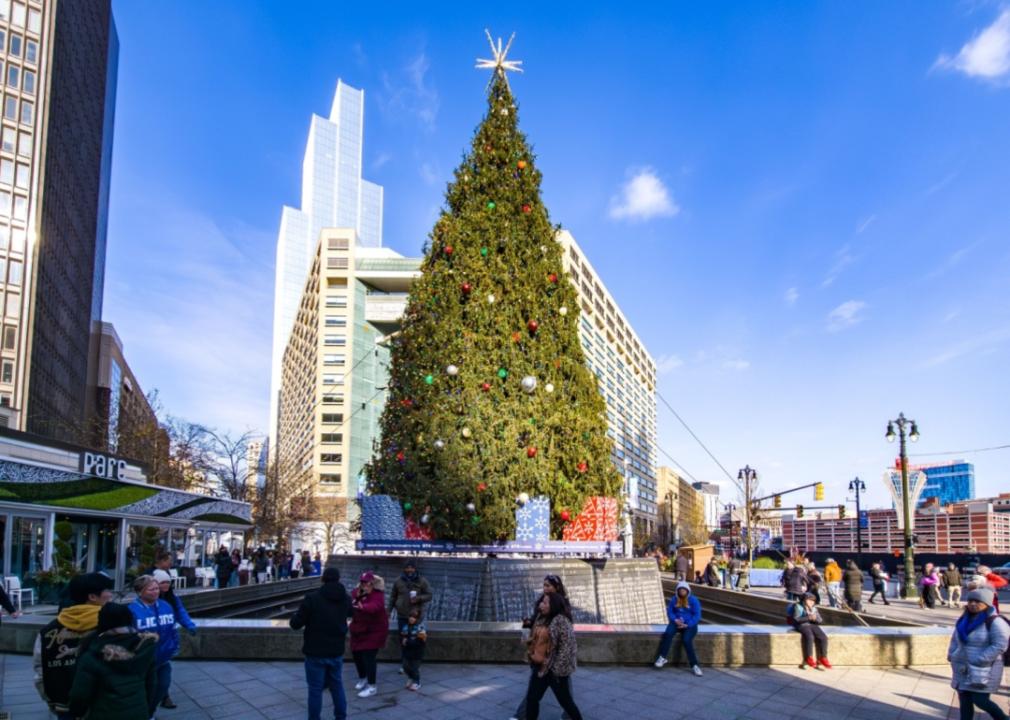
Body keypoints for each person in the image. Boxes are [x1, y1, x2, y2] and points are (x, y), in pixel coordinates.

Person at [34, 572, 114, 719]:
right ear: (92, 597)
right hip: (104, 703)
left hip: (64, 703)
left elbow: (41, 671)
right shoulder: (112, 626)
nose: (111, 595)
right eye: (108, 591)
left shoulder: (48, 631)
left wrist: (51, 700)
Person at [67, 602, 158, 720]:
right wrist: (146, 709)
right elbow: (152, 685)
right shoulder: (143, 648)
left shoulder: (93, 653)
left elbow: (80, 694)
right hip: (138, 712)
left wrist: (77, 713)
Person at [289, 566, 350, 720]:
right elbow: (352, 613)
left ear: (323, 579)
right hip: (336, 650)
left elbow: (296, 624)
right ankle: (341, 717)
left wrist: (295, 615)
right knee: (337, 686)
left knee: (315, 690)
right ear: (338, 579)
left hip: (315, 651)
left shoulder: (312, 598)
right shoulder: (345, 598)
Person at [512, 575, 573, 720]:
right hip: (540, 655)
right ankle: (521, 715)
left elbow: (566, 633)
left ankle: (570, 717)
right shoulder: (541, 601)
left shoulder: (563, 605)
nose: (545, 588)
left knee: (565, 694)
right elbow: (536, 620)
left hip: (556, 658)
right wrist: (528, 625)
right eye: (544, 585)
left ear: (557, 587)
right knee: (533, 693)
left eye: (548, 585)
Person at [948, 587, 1009, 720]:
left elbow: (1000, 645)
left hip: (984, 668)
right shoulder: (963, 620)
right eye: (970, 601)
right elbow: (955, 639)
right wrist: (951, 654)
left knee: (980, 699)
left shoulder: (995, 621)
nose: (973, 604)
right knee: (964, 699)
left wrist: (980, 659)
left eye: (977, 601)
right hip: (962, 667)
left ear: (987, 604)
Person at [523, 592, 584, 720]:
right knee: (532, 699)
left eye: (545, 603)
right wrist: (527, 628)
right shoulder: (541, 617)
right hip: (540, 667)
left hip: (554, 671)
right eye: (541, 602)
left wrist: (556, 669)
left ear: (554, 605)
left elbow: (568, 648)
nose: (541, 604)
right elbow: (531, 639)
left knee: (566, 702)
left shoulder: (561, 621)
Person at [128, 574, 180, 717]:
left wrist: (174, 646)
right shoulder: (132, 610)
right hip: (143, 659)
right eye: (151, 589)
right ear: (140, 592)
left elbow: (173, 629)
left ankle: (150, 712)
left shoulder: (165, 606)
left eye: (157, 588)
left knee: (162, 686)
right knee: (146, 689)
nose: (155, 592)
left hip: (163, 657)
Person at [152, 569, 196, 710]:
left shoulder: (172, 598)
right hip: (151, 643)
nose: (166, 585)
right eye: (162, 582)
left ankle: (163, 697)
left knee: (164, 677)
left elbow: (180, 611)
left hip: (166, 642)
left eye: (167, 582)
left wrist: (189, 625)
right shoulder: (149, 599)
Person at [349, 571, 387, 698]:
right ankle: (363, 678)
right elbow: (352, 598)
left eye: (367, 583)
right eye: (362, 582)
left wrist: (363, 606)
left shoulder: (378, 595)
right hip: (358, 629)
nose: (365, 585)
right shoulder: (357, 592)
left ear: (372, 583)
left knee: (369, 657)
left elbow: (375, 606)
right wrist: (359, 596)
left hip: (374, 631)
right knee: (356, 655)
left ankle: (372, 686)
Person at [654, 581, 702, 676]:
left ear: (688, 591)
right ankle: (662, 657)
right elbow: (670, 611)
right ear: (677, 591)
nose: (682, 592)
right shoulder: (674, 599)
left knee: (686, 640)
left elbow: (697, 615)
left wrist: (687, 624)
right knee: (668, 634)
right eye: (680, 590)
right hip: (676, 622)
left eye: (684, 590)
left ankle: (695, 665)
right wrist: (675, 620)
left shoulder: (694, 600)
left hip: (689, 625)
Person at [791, 592, 831, 670]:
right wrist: (808, 618)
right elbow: (796, 619)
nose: (811, 602)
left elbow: (820, 620)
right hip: (802, 625)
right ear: (804, 600)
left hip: (812, 625)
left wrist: (815, 618)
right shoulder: (798, 607)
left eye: (813, 601)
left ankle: (823, 658)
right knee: (810, 637)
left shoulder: (814, 608)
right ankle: (809, 657)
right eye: (809, 600)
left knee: (823, 637)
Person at [400, 608, 427, 691]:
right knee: (405, 666)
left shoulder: (420, 628)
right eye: (410, 616)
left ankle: (417, 682)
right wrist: (404, 640)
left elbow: (420, 642)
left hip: (417, 652)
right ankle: (411, 677)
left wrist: (407, 641)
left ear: (417, 618)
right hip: (407, 651)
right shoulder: (405, 627)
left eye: (414, 617)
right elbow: (403, 637)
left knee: (415, 668)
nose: (411, 618)